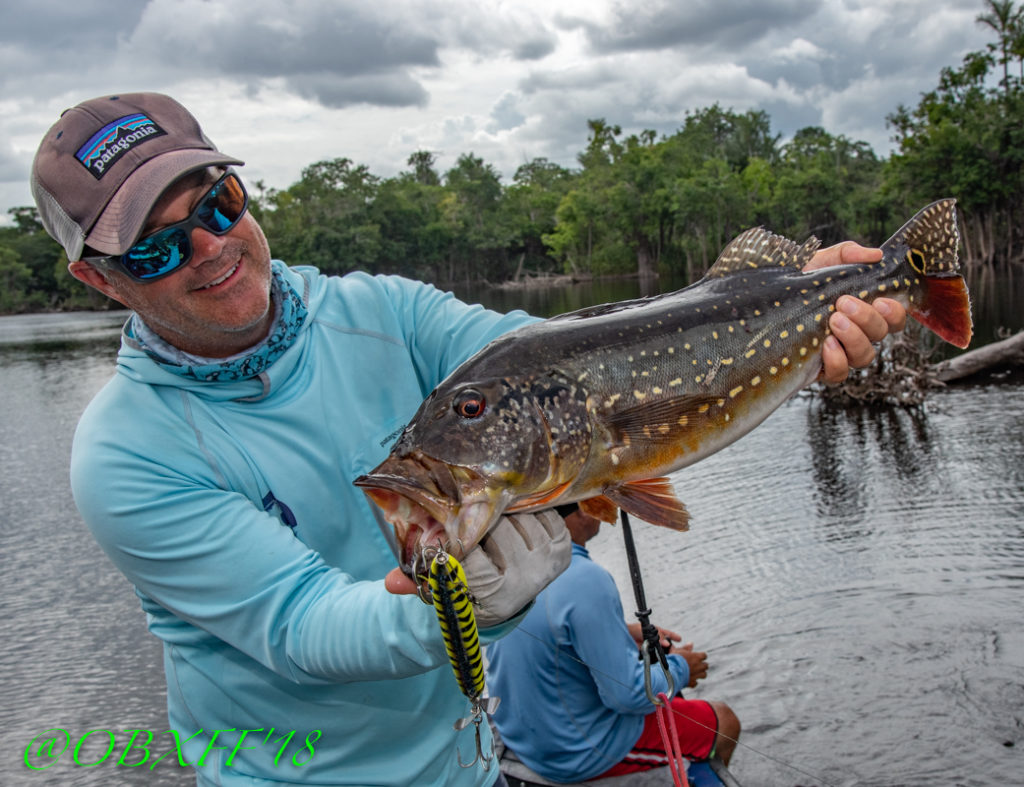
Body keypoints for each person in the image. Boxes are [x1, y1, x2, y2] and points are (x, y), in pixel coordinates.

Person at [29, 91, 905, 787]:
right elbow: (301, 626)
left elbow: (558, 359)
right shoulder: (125, 455)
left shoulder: (382, 310)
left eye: (217, 204)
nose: (209, 247)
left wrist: (775, 309)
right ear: (96, 279)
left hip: (468, 757)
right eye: (154, 249)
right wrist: (460, 611)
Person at [486, 503, 740, 783]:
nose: (608, 508)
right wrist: (681, 668)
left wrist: (621, 631)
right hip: (574, 753)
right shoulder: (586, 578)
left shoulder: (514, 568)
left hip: (522, 737)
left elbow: (548, 628)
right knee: (724, 721)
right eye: (600, 497)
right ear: (582, 509)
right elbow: (628, 697)